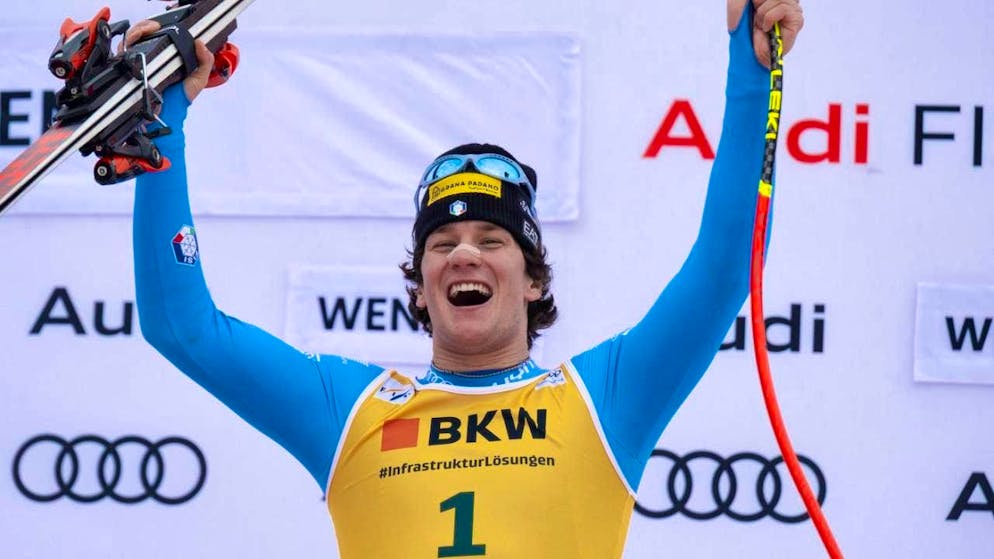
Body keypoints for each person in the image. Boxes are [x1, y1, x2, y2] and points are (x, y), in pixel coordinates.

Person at [131, 0, 803, 556]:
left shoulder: (604, 399)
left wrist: (751, 69)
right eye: (442, 244)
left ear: (533, 281)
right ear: (420, 287)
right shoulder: (348, 408)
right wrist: (163, 124)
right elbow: (183, 327)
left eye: (492, 240)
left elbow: (724, 268)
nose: (463, 255)